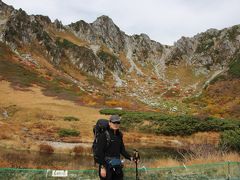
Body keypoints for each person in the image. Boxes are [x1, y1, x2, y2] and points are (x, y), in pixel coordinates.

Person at [96, 115, 132, 180]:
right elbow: (99, 152)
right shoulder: (103, 135)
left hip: (117, 166)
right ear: (109, 123)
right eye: (114, 122)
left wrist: (131, 158)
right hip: (106, 167)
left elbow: (122, 150)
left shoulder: (119, 135)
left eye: (118, 123)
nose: (116, 124)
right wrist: (102, 168)